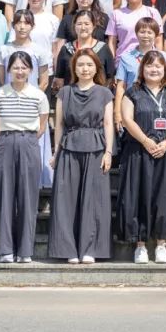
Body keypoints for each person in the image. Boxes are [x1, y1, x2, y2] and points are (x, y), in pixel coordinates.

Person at [116, 51, 166, 264]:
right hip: (138, 151)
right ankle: (141, 245)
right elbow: (127, 119)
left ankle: (161, 244)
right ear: (142, 69)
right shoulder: (133, 92)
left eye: (158, 66)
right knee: (139, 195)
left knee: (164, 196)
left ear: (165, 69)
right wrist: (146, 141)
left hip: (164, 151)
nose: (154, 69)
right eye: (149, 65)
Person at [48, 50, 114, 264]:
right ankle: (68, 249)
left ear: (96, 68)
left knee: (94, 200)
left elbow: (108, 124)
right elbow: (59, 125)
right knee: (66, 200)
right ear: (74, 68)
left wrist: (108, 152)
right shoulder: (64, 92)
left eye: (89, 65)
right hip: (69, 147)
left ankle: (90, 249)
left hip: (96, 148)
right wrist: (56, 152)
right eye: (80, 65)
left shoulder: (104, 93)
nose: (85, 69)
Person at [0, 51, 50, 263]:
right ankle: (6, 250)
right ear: (8, 70)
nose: (20, 71)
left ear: (31, 70)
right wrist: (7, 137)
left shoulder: (38, 95)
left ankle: (25, 251)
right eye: (15, 67)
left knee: (28, 197)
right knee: (5, 196)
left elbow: (42, 124)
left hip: (29, 142)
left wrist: (27, 138)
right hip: (5, 141)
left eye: (24, 67)